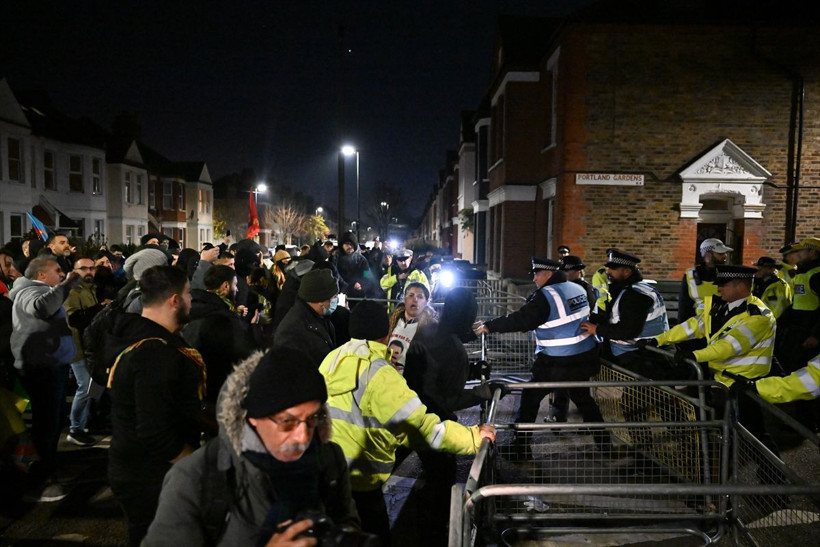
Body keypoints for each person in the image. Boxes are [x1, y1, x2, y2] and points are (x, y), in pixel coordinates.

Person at [144, 347, 361, 546]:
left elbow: (347, 519)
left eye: (312, 418)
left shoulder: (329, 458)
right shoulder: (194, 479)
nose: (303, 436)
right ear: (253, 418)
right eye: (287, 422)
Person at [320, 300, 496, 544]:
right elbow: (423, 429)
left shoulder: (331, 359)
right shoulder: (380, 374)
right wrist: (474, 437)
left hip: (330, 473)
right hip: (364, 482)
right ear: (386, 334)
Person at [106, 266, 207, 546]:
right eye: (188, 294)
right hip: (150, 475)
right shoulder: (155, 354)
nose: (192, 301)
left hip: (136, 468)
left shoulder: (141, 338)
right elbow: (154, 431)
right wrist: (197, 465)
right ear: (174, 300)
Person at [473, 257, 609, 457]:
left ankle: (521, 449)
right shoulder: (578, 288)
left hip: (556, 362)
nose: (534, 278)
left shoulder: (546, 295)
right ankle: (605, 446)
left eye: (537, 273)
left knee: (530, 397)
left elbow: (522, 319)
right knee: (584, 400)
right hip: (583, 357)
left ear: (549, 274)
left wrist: (489, 325)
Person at [648, 265, 778, 453]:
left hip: (744, 386)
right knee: (728, 430)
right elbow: (694, 326)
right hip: (721, 381)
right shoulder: (719, 306)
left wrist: (695, 355)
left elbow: (729, 346)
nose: (718, 288)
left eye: (723, 285)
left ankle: (773, 475)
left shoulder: (758, 316)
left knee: (755, 434)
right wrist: (660, 339)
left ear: (740, 286)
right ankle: (729, 466)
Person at [10, 256, 82, 501]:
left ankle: (49, 470)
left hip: (49, 365)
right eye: (57, 271)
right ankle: (41, 480)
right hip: (42, 368)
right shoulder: (29, 292)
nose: (61, 274)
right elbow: (42, 308)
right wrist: (68, 285)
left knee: (50, 423)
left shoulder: (36, 291)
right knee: (46, 425)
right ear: (41, 275)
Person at [182, 265, 261, 415]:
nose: (237, 289)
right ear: (225, 286)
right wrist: (253, 327)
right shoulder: (224, 320)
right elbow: (246, 355)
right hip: (220, 395)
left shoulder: (194, 307)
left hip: (199, 393)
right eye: (235, 284)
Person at [581, 250, 671, 378]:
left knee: (640, 396)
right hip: (644, 353)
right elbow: (618, 316)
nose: (608, 272)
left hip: (641, 356)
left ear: (627, 272)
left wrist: (596, 329)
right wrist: (594, 319)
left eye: (613, 269)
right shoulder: (634, 288)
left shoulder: (635, 295)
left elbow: (627, 330)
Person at [64, 257, 110, 447]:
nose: (89, 271)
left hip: (91, 347)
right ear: (75, 271)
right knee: (84, 386)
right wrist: (100, 307)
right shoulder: (73, 290)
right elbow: (74, 319)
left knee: (94, 384)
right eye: (84, 268)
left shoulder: (90, 289)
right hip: (77, 346)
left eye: (92, 268)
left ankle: (85, 423)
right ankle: (75, 429)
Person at [273, 268, 338, 367]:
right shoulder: (291, 332)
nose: (336, 300)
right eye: (334, 297)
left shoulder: (319, 316)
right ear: (320, 302)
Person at [678, 238, 732, 322]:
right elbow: (684, 308)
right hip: (698, 326)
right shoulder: (690, 276)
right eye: (720, 253)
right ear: (707, 255)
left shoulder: (728, 275)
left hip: (721, 324)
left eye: (724, 253)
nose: (725, 256)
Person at [387, 281, 438, 370]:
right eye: (411, 295)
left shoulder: (431, 327)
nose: (415, 300)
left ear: (426, 302)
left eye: (420, 297)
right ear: (404, 299)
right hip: (386, 373)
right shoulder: (392, 319)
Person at [331, 231, 374, 303]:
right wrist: (346, 287)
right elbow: (334, 274)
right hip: (340, 293)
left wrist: (361, 284)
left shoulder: (362, 260)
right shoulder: (335, 258)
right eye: (347, 244)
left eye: (351, 244)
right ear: (342, 245)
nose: (349, 246)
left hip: (357, 293)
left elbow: (367, 274)